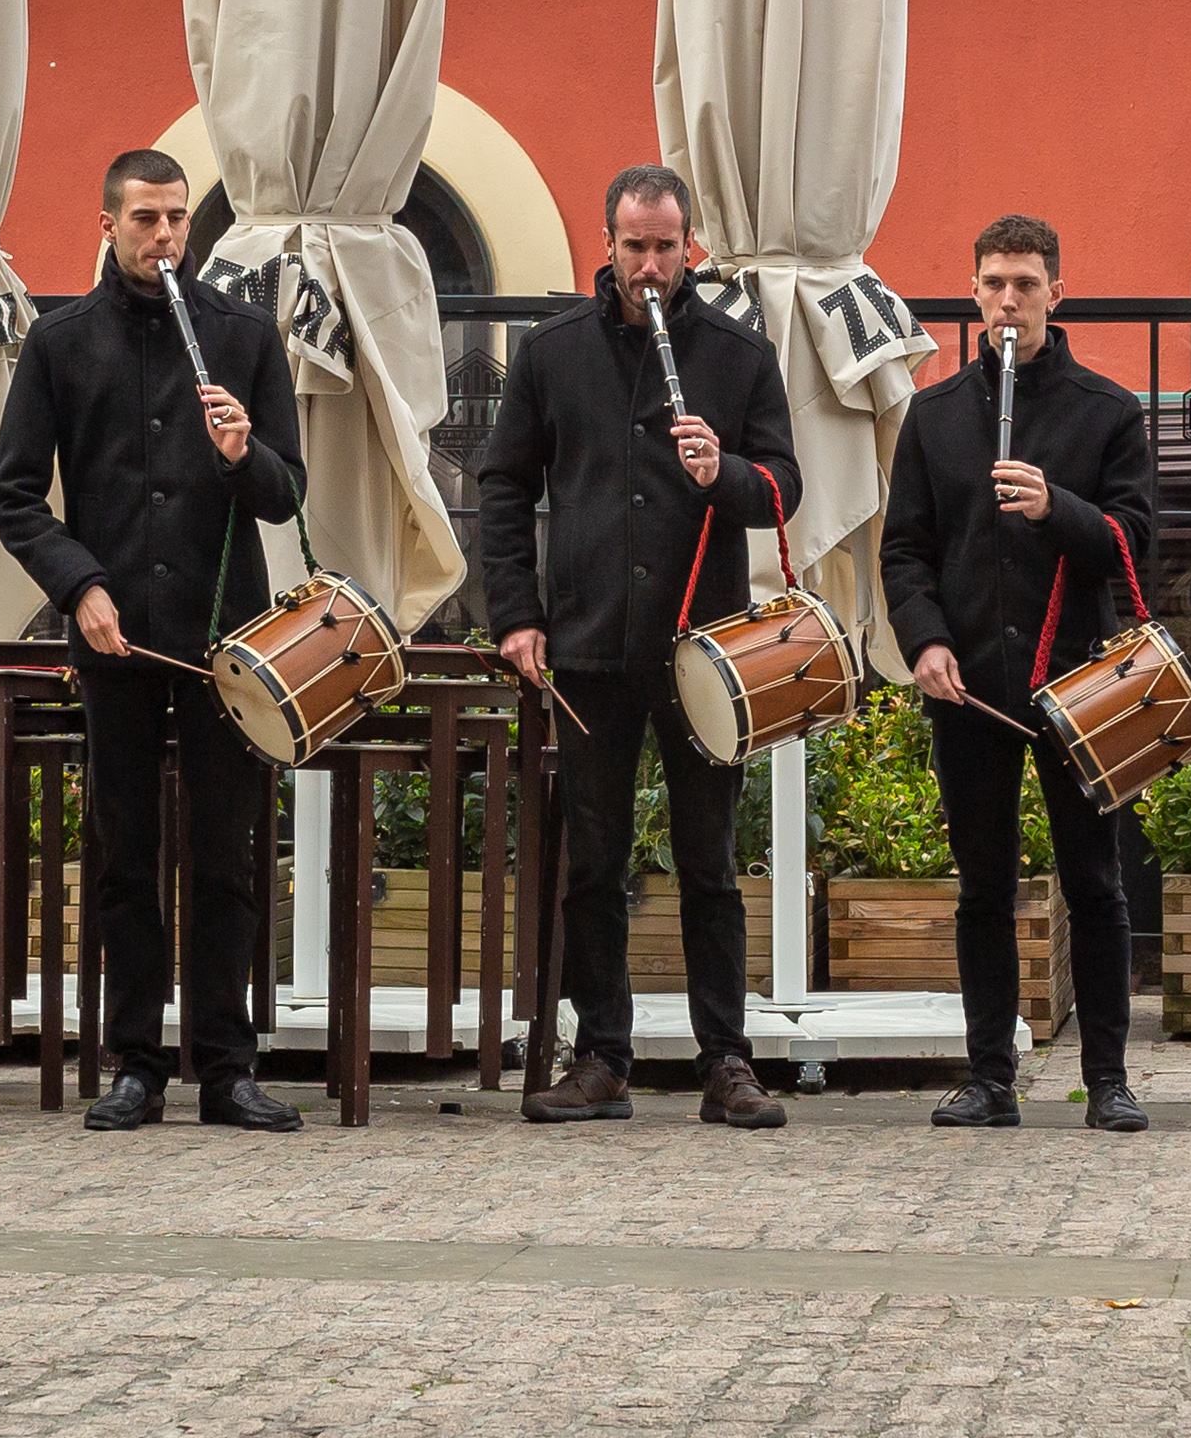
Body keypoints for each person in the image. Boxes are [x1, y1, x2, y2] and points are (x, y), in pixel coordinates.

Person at [478, 163, 804, 1131]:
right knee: (593, 861)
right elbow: (504, 486)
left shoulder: (738, 353)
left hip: (703, 649)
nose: (651, 265)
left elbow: (783, 488)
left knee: (709, 862)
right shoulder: (552, 351)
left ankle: (726, 1062)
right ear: (607, 242)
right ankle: (602, 1058)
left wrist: (724, 472)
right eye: (635, 246)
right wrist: (516, 613)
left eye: (666, 247)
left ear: (689, 246)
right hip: (586, 642)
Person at [0, 149, 310, 1133]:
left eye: (177, 218)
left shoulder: (243, 334)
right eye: (146, 219)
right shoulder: (60, 341)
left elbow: (287, 493)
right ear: (109, 225)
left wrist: (243, 454)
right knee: (125, 854)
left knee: (226, 854)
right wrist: (78, 584)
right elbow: (14, 497)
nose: (166, 236)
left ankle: (227, 1065)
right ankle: (135, 1062)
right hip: (114, 636)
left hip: (223, 640)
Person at [878, 214, 1152, 1134]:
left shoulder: (1108, 411)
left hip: (1078, 680)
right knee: (983, 885)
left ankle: (1108, 1080)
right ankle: (990, 1077)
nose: (1008, 301)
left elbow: (1134, 542)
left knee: (1096, 884)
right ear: (974, 292)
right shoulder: (935, 414)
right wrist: (925, 641)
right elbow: (905, 550)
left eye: (1026, 285)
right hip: (968, 684)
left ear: (1055, 295)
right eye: (994, 284)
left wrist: (1055, 506)